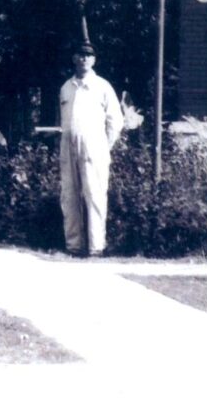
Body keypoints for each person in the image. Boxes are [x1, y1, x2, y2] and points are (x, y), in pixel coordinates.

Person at [59, 36, 124, 257]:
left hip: (94, 146)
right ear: (74, 58)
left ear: (94, 60)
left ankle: (96, 248)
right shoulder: (66, 88)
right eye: (81, 54)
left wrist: (104, 146)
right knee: (69, 195)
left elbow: (116, 120)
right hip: (68, 145)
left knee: (95, 195)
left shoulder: (102, 87)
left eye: (89, 55)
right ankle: (73, 246)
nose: (84, 58)